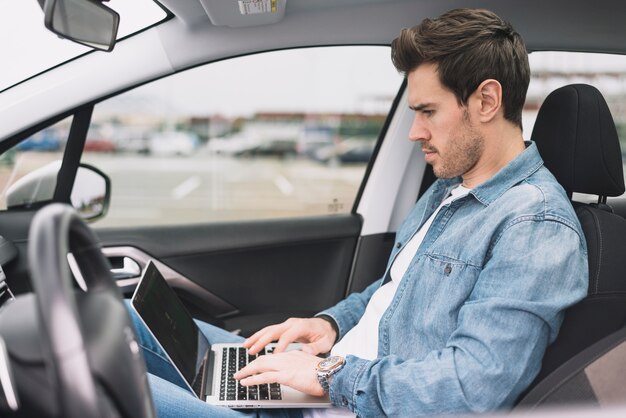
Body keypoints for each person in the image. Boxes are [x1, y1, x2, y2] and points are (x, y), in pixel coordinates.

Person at [131, 8, 588, 417]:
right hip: (328, 387)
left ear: (487, 101)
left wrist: (325, 377)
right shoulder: (451, 189)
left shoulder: (536, 225)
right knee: (124, 326)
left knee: (97, 386)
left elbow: (472, 387)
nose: (414, 132)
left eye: (428, 111)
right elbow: (394, 295)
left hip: (343, 398)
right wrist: (329, 325)